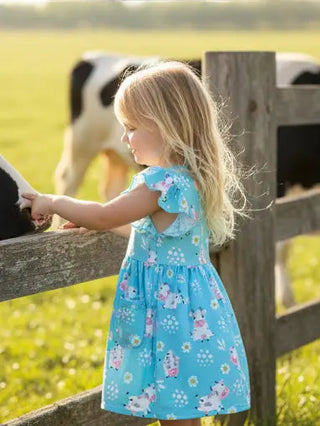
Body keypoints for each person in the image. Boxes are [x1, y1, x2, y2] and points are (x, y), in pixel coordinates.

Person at [23, 61, 251, 425]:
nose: (124, 139)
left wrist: (55, 201)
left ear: (167, 126)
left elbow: (104, 213)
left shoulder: (158, 183)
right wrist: (93, 225)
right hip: (193, 311)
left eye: (131, 128)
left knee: (174, 409)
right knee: (184, 408)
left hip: (167, 316)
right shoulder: (190, 179)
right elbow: (147, 232)